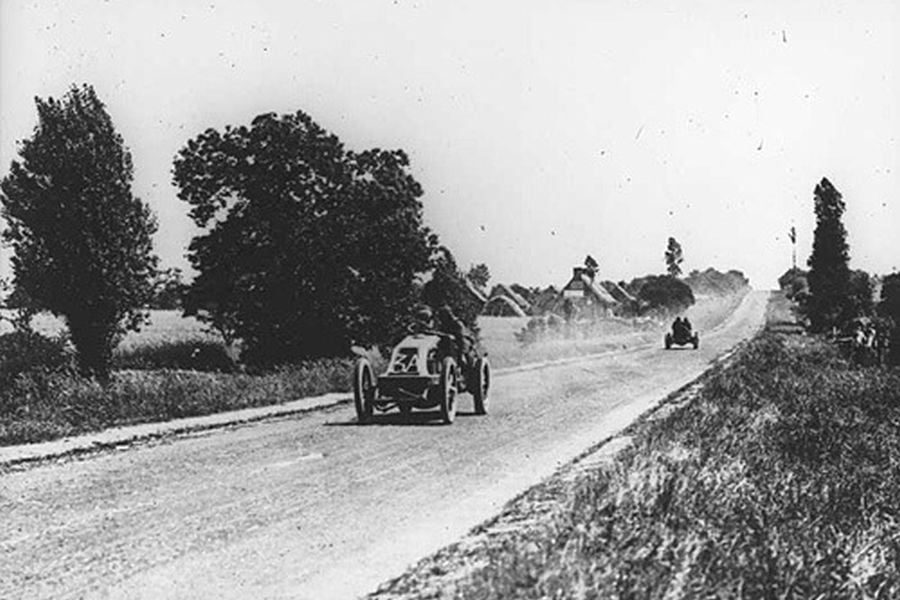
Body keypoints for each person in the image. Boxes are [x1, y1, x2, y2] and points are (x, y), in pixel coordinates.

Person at [435, 304, 474, 369]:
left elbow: (461, 336)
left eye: (442, 315)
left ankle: (463, 365)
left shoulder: (457, 323)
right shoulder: (442, 324)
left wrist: (461, 353)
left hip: (461, 343)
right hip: (447, 343)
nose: (440, 318)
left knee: (461, 353)